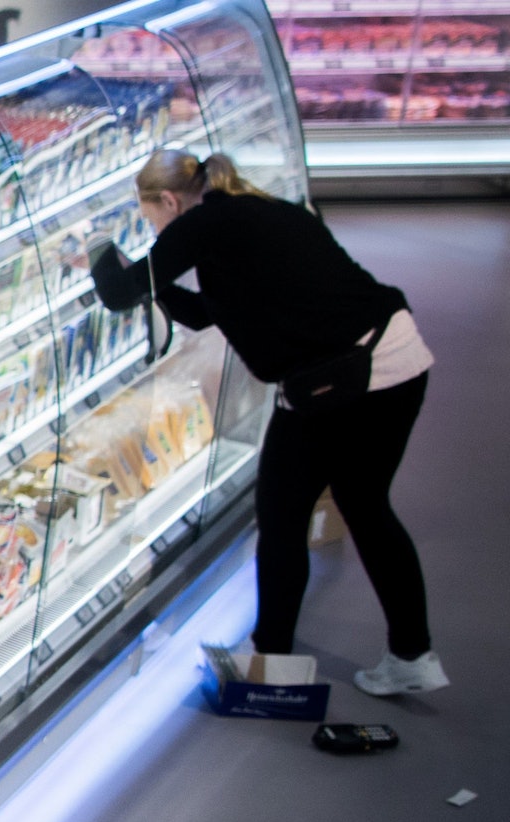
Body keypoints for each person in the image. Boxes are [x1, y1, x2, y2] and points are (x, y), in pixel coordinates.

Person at [91, 148, 448, 696]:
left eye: (151, 220)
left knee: (282, 516)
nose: (156, 231)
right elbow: (210, 311)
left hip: (337, 384)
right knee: (368, 507)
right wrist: (150, 282)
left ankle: (270, 665)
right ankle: (412, 654)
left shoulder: (202, 223)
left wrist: (95, 253)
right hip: (397, 359)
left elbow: (120, 292)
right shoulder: (255, 210)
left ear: (169, 200)